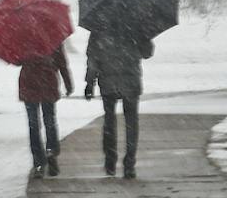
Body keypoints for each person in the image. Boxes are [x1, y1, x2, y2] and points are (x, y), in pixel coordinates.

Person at [84, 30, 150, 178]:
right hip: (130, 82)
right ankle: (129, 162)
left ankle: (110, 159)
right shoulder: (136, 26)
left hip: (108, 82)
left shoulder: (98, 28)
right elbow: (147, 53)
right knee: (131, 122)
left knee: (109, 120)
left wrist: (90, 82)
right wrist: (145, 37)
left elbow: (93, 58)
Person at [17, 44, 73, 177]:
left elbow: (17, 60)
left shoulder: (23, 38)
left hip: (29, 84)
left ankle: (38, 162)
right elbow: (62, 63)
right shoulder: (53, 37)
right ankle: (51, 151)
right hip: (47, 82)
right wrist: (68, 83)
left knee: (33, 125)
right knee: (49, 121)